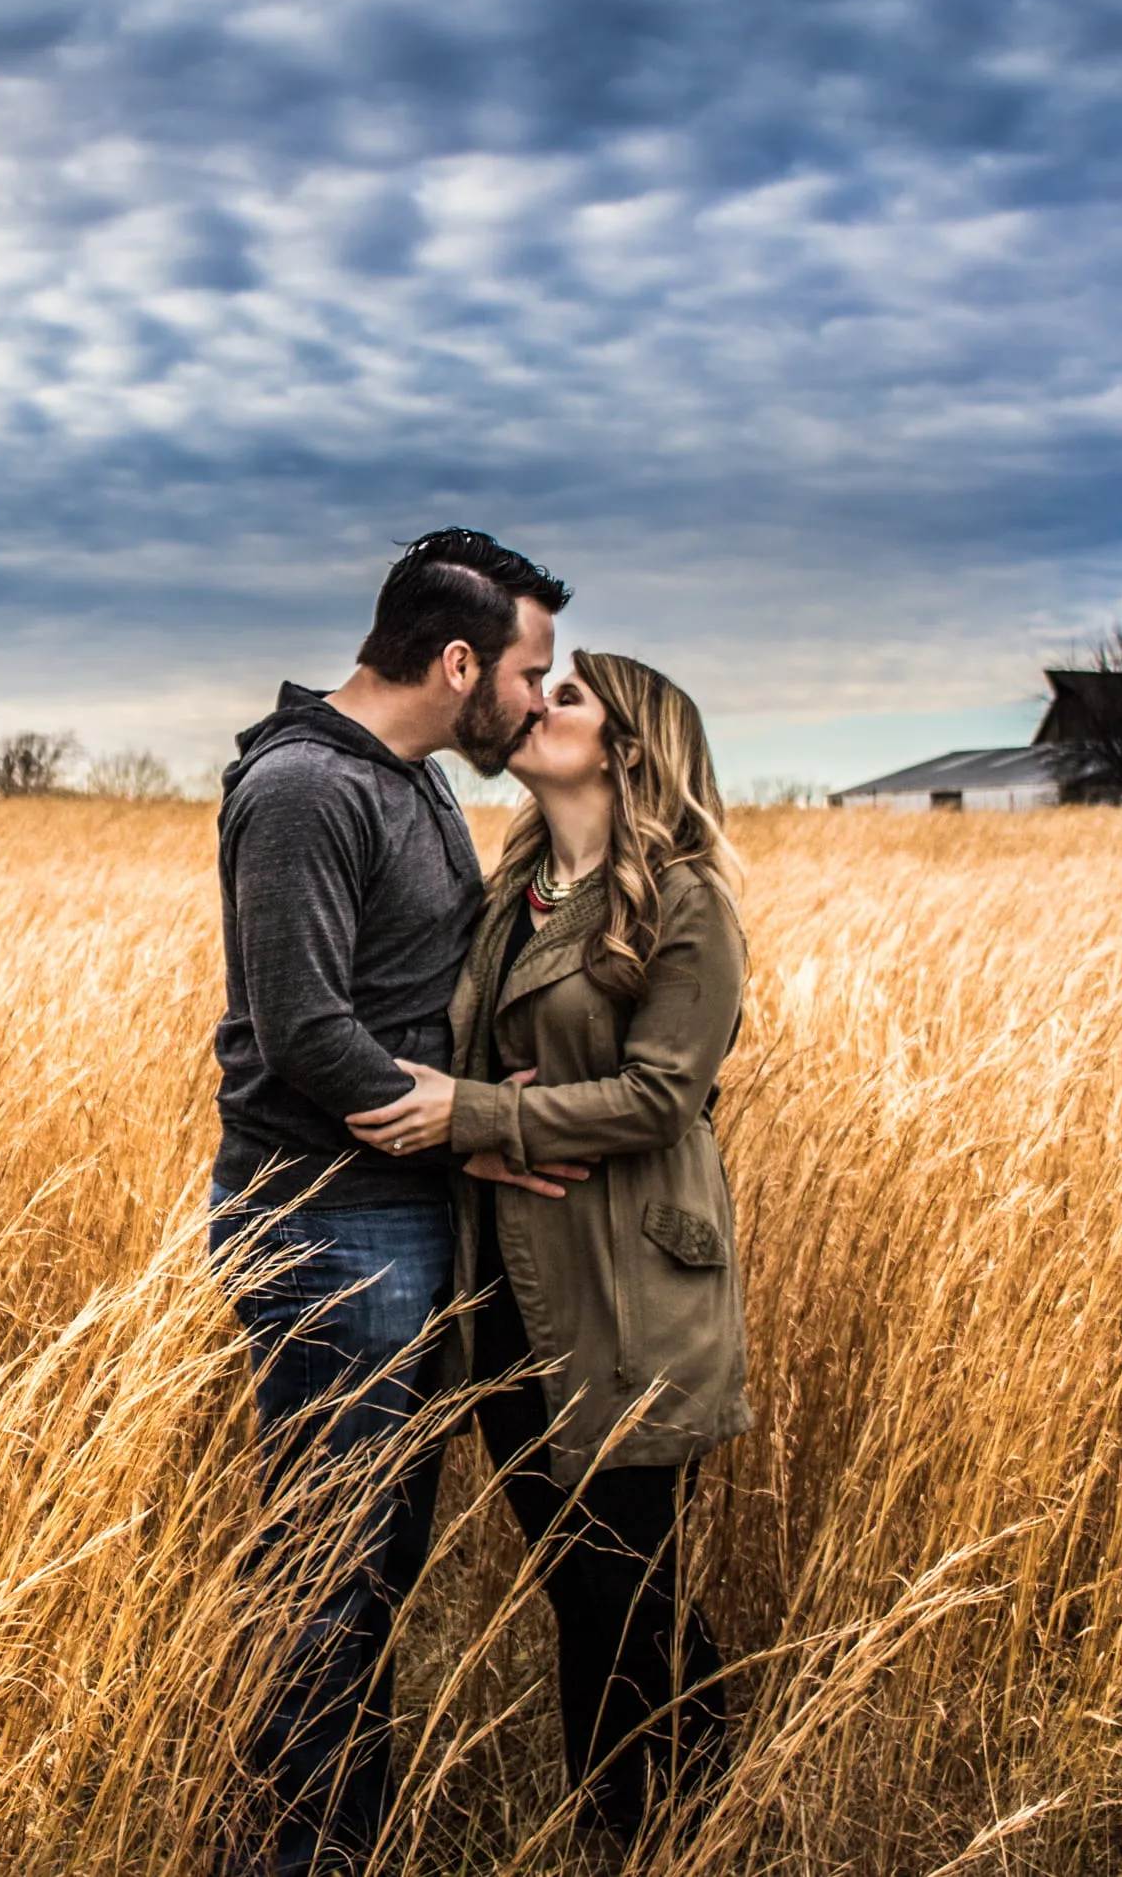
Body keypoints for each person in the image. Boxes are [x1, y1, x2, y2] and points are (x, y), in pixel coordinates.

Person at [208, 527, 583, 1877]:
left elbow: (398, 993)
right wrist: (469, 1138)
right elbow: (304, 1028)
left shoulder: (403, 779)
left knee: (368, 1571)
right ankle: (280, 1857)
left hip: (393, 1221)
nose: (538, 699)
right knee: (323, 1575)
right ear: (455, 659)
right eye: (527, 671)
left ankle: (332, 1847)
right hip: (328, 1226)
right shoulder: (311, 788)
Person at [345, 651, 752, 1854]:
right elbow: (466, 1061)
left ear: (629, 747)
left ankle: (638, 1829)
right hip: (510, 1288)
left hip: (628, 1284)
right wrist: (474, 1121)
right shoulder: (515, 883)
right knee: (582, 1575)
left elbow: (664, 1093)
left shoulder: (685, 897)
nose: (534, 703)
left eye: (566, 697)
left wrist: (476, 1116)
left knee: (621, 1584)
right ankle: (691, 1804)